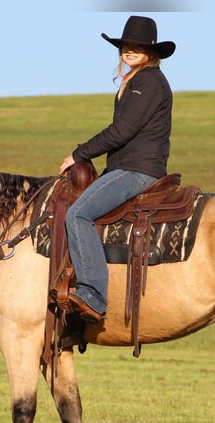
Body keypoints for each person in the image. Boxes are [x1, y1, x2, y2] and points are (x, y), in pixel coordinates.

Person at [59, 15, 175, 324]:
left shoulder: (148, 82)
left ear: (152, 51)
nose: (129, 50)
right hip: (127, 167)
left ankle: (93, 293)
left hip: (137, 170)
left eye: (138, 46)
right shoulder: (138, 80)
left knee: (78, 214)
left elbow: (121, 131)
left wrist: (79, 154)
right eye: (126, 45)